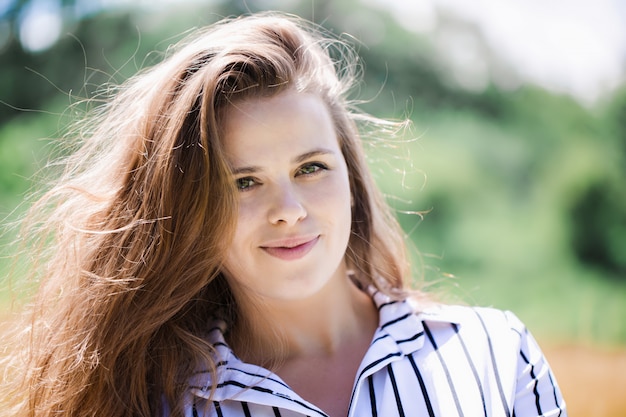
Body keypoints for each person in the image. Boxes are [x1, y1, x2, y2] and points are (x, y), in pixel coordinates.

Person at [1, 12, 567, 417]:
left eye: (311, 168)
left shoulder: (495, 354)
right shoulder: (161, 405)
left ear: (351, 177)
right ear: (191, 211)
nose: (288, 211)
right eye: (244, 182)